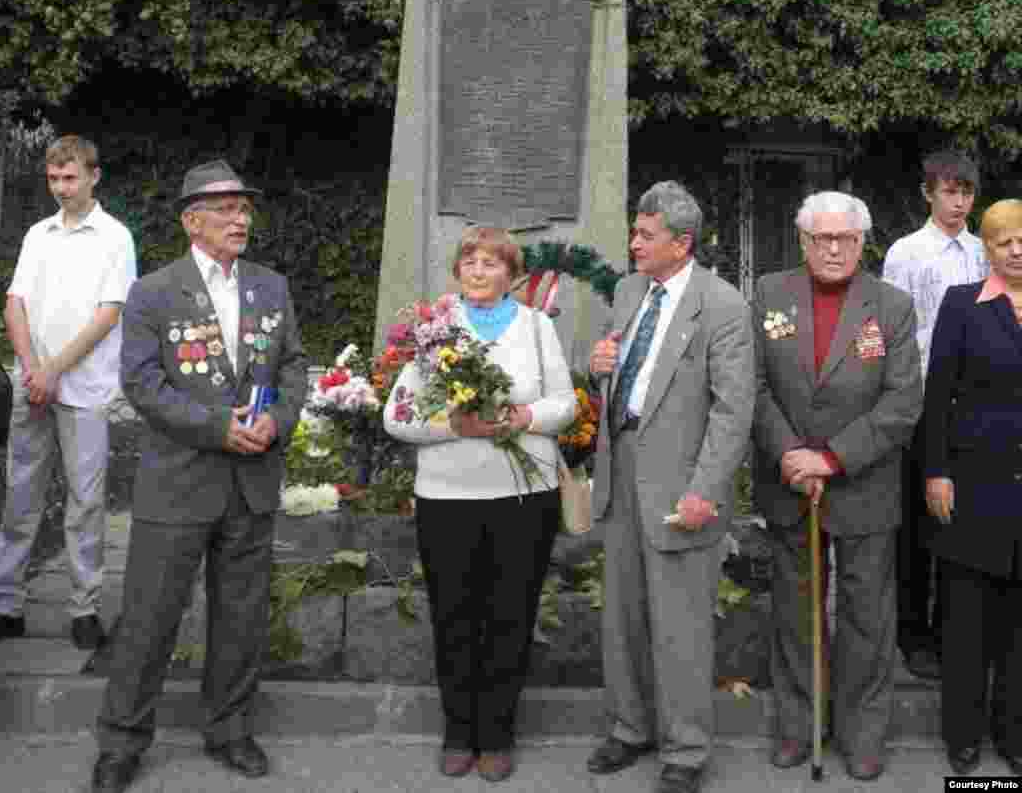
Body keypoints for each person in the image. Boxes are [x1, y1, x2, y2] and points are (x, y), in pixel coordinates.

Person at [91, 161, 308, 793]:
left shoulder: (270, 286)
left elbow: (293, 368)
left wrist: (276, 422)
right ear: (192, 221)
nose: (241, 219)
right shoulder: (153, 291)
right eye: (226, 209)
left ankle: (230, 729)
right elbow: (141, 383)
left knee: (241, 617)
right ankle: (122, 741)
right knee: (150, 618)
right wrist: (217, 427)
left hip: (251, 480)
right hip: (178, 482)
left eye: (245, 209)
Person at [383, 225, 575, 782]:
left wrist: (525, 417)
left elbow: (565, 403)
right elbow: (396, 416)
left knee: (510, 616)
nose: (478, 271)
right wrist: (454, 426)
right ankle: (458, 730)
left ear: (512, 275)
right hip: (448, 498)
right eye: (469, 261)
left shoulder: (537, 327)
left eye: (491, 263)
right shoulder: (434, 331)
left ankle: (497, 734)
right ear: (457, 271)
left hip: (524, 497)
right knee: (455, 616)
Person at [586, 181, 754, 793]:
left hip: (683, 482)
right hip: (621, 470)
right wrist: (597, 368)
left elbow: (733, 411)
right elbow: (620, 373)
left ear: (681, 244)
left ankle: (685, 749)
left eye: (645, 235)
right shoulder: (629, 290)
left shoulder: (723, 305)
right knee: (623, 615)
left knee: (681, 624)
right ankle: (630, 728)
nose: (633, 243)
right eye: (635, 232)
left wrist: (705, 488)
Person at [753, 191, 922, 782]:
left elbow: (903, 401)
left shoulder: (893, 306)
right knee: (795, 612)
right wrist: (790, 454)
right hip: (790, 481)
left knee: (866, 617)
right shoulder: (769, 294)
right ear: (803, 241)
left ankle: (862, 734)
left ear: (861, 242)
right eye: (821, 238)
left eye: (844, 239)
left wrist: (832, 458)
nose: (832, 249)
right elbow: (754, 386)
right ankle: (799, 727)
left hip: (864, 483)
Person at [0, 134, 136, 649]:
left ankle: (84, 607)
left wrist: (55, 369)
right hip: (33, 386)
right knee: (21, 497)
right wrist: (34, 371)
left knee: (85, 502)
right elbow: (15, 303)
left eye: (70, 177)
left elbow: (109, 314)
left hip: (86, 389)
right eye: (54, 178)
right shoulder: (39, 235)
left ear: (94, 176)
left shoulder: (115, 238)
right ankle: (6, 603)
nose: (61, 187)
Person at [922, 198, 1022, 777]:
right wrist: (936, 471)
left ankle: (1013, 732)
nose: (1016, 250)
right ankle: (962, 735)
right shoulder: (962, 304)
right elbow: (938, 393)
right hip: (971, 486)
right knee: (966, 621)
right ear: (987, 249)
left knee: (1018, 624)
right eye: (1004, 241)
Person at [882, 150, 987, 681]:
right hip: (920, 399)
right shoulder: (907, 253)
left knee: (961, 520)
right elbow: (892, 330)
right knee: (916, 521)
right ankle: (912, 632)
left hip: (972, 402)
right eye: (949, 191)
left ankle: (954, 630)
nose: (959, 201)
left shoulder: (984, 252)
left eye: (966, 192)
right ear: (928, 194)